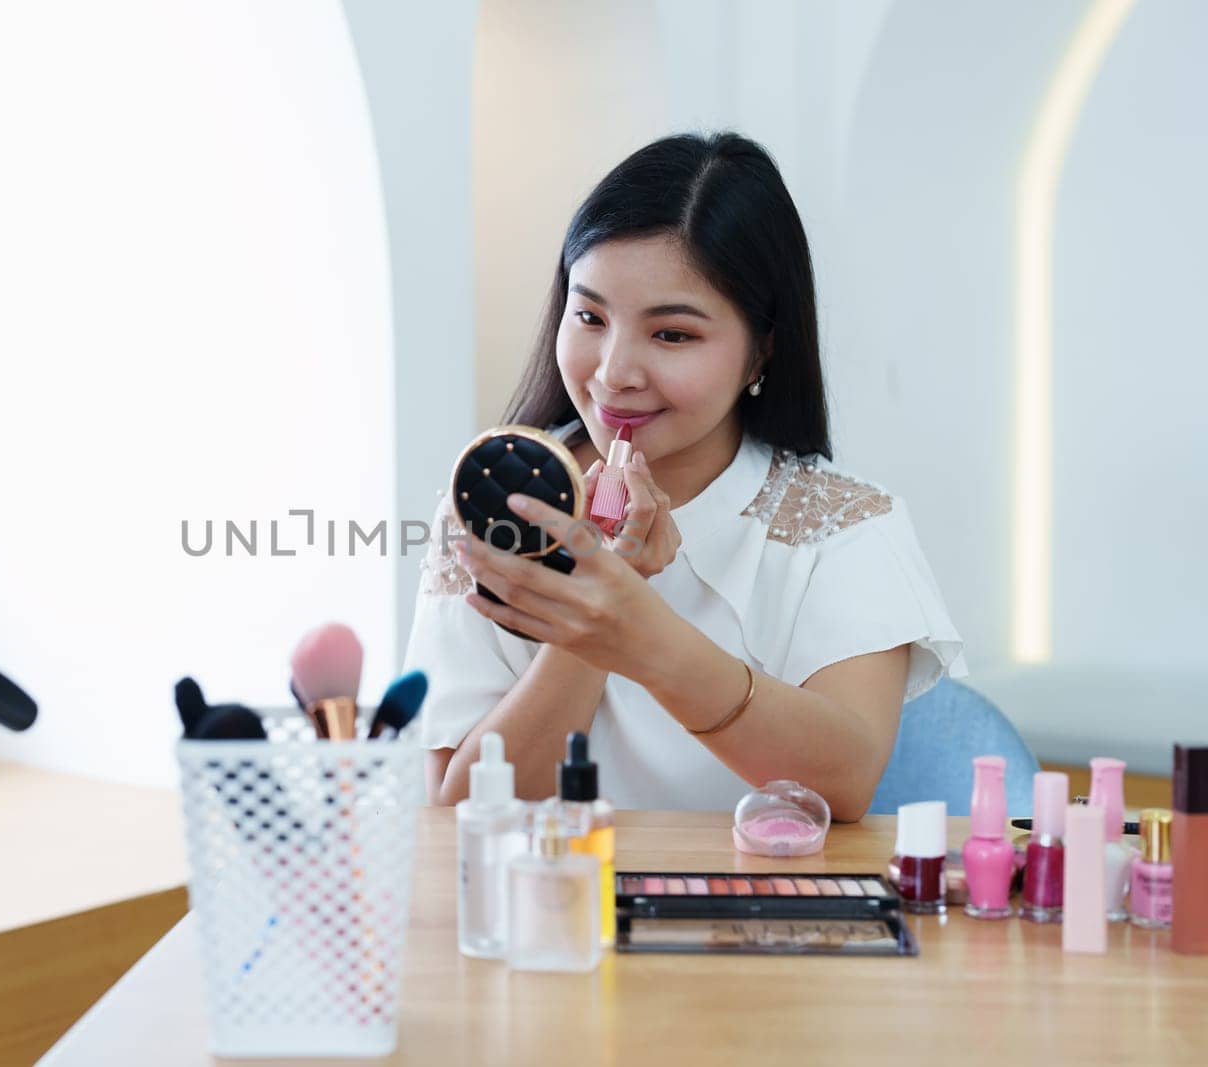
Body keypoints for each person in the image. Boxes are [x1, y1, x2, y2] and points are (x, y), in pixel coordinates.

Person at [406, 132, 964, 819]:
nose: (613, 372)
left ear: (761, 350)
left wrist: (639, 633)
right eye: (590, 316)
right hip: (542, 912)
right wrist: (592, 626)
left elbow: (841, 783)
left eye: (671, 334)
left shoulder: (844, 529)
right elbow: (458, 807)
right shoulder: (492, 502)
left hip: (756, 917)